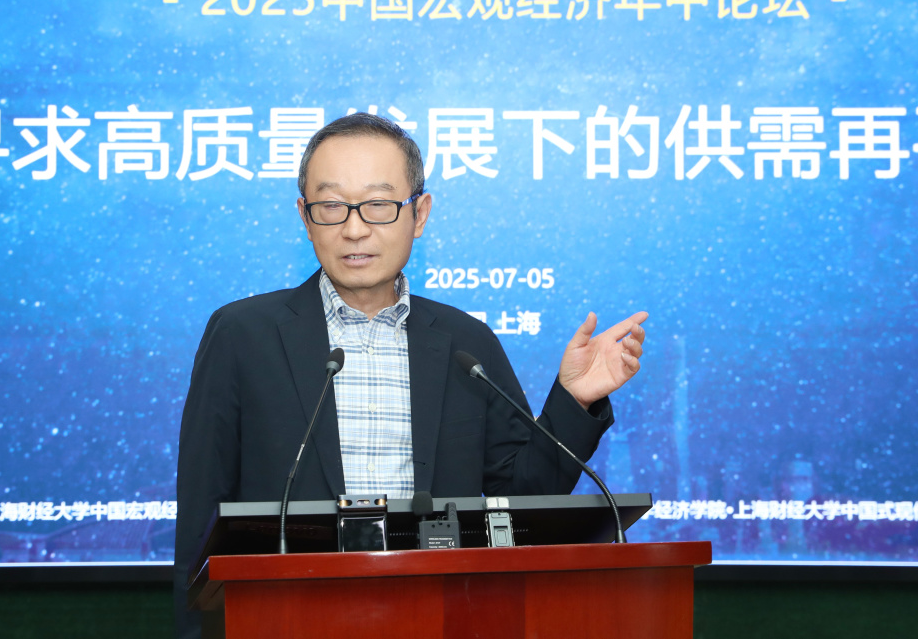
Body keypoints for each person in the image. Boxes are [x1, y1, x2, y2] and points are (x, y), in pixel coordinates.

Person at [173, 113, 647, 638]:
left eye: (378, 204)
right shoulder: (242, 335)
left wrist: (573, 401)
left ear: (419, 213)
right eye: (331, 206)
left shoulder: (466, 343)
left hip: (443, 617)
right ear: (305, 216)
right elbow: (200, 514)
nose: (354, 228)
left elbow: (520, 499)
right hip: (283, 620)